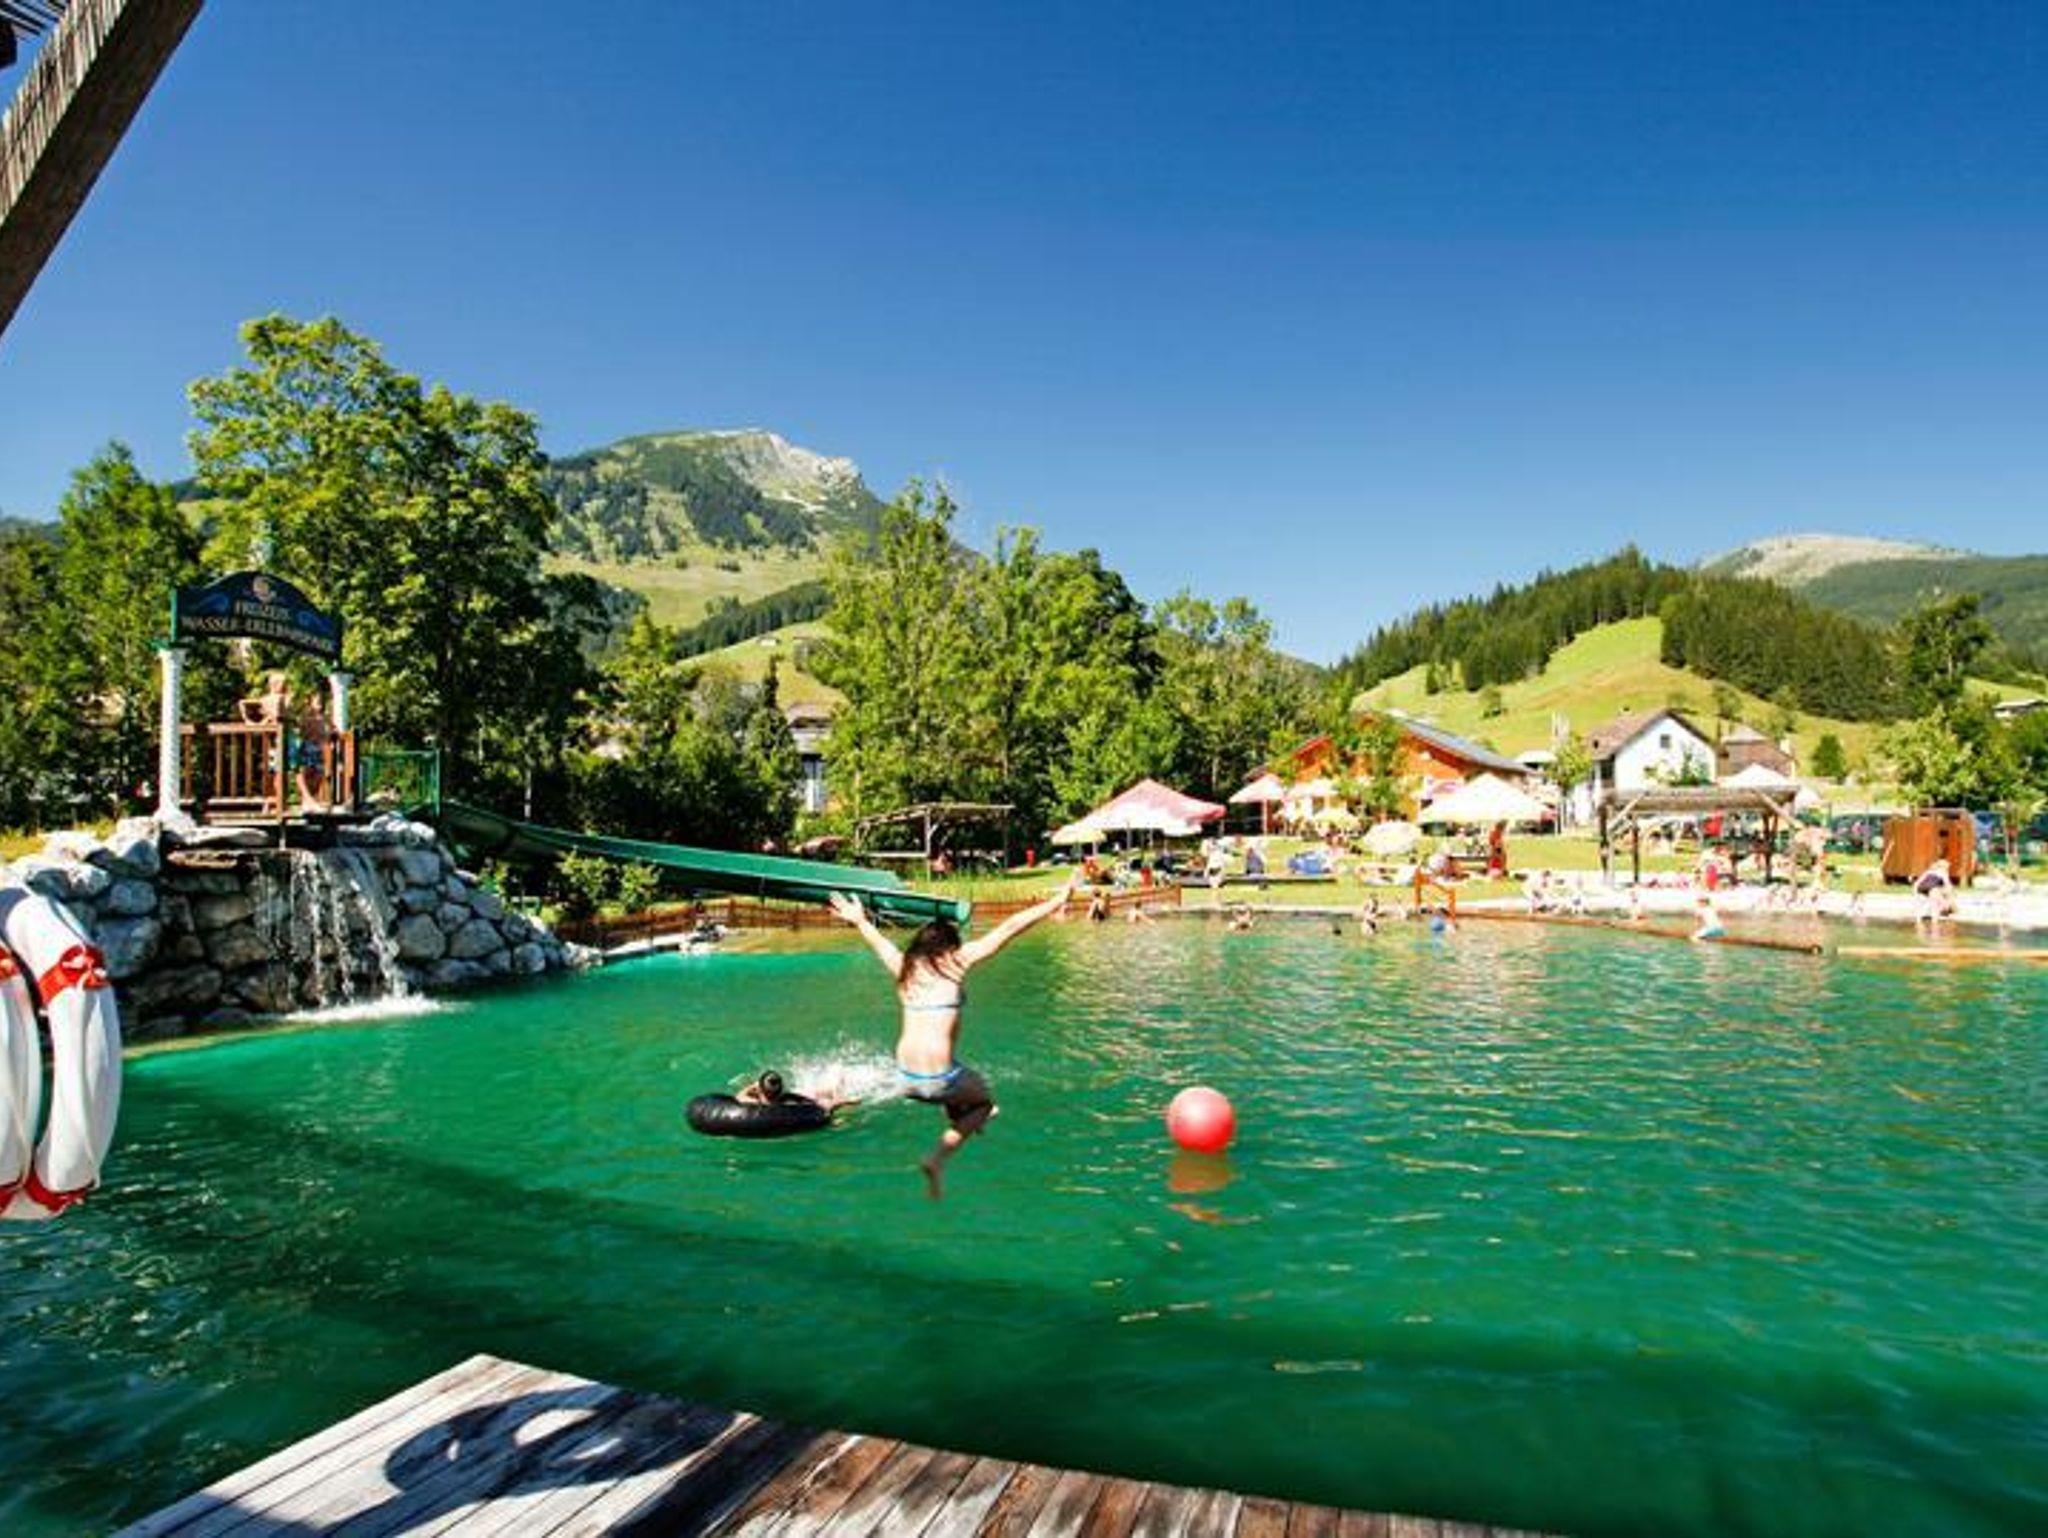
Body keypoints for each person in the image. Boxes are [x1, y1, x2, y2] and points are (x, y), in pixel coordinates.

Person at [828, 879, 1076, 1200]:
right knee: (986, 1105)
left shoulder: (904, 968)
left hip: (905, 1078)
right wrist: (1056, 901)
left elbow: (879, 943)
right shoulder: (956, 962)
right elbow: (1011, 927)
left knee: (959, 1076)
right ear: (949, 947)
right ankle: (936, 1159)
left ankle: (958, 1112)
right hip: (939, 1080)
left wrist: (860, 919)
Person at [293, 688, 331, 811]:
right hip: (309, 746)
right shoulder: (306, 717)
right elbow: (301, 731)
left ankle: (311, 800)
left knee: (319, 775)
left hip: (320, 748)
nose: (319, 703)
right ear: (311, 702)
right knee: (308, 772)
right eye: (316, 701)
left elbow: (330, 730)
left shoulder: (325, 718)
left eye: (321, 701)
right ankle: (306, 800)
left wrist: (330, 733)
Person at [1914, 858, 1955, 924]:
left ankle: (1918, 921)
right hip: (1933, 889)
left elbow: (1917, 883)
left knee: (1923, 907)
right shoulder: (1943, 873)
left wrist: (1915, 892)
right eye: (1947, 868)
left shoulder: (1929, 872)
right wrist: (1951, 895)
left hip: (1921, 889)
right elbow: (1948, 884)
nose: (1947, 870)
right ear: (1944, 867)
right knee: (1935, 907)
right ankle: (1935, 922)